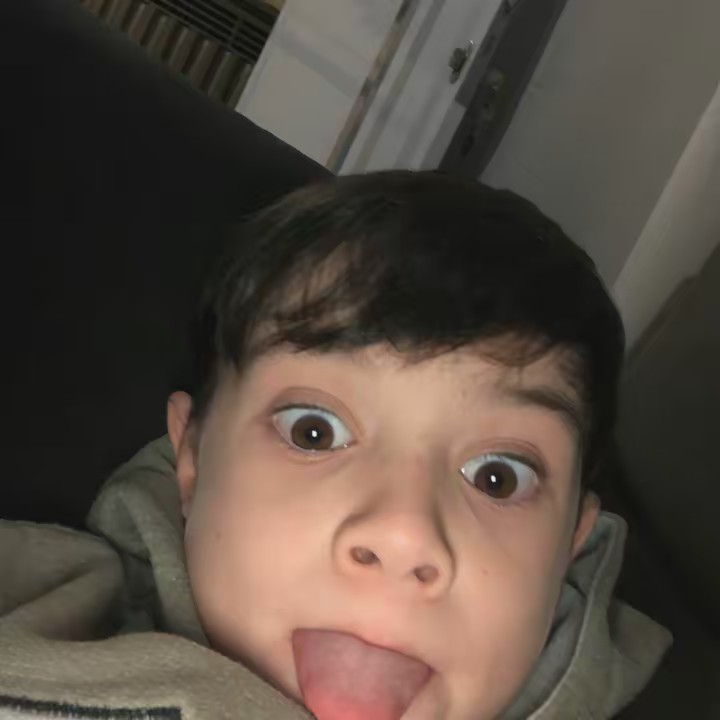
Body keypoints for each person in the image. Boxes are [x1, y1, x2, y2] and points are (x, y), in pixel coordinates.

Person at [0, 171, 671, 720]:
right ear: (194, 461)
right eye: (313, 432)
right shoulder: (47, 620)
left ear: (570, 545)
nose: (405, 535)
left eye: (497, 477)